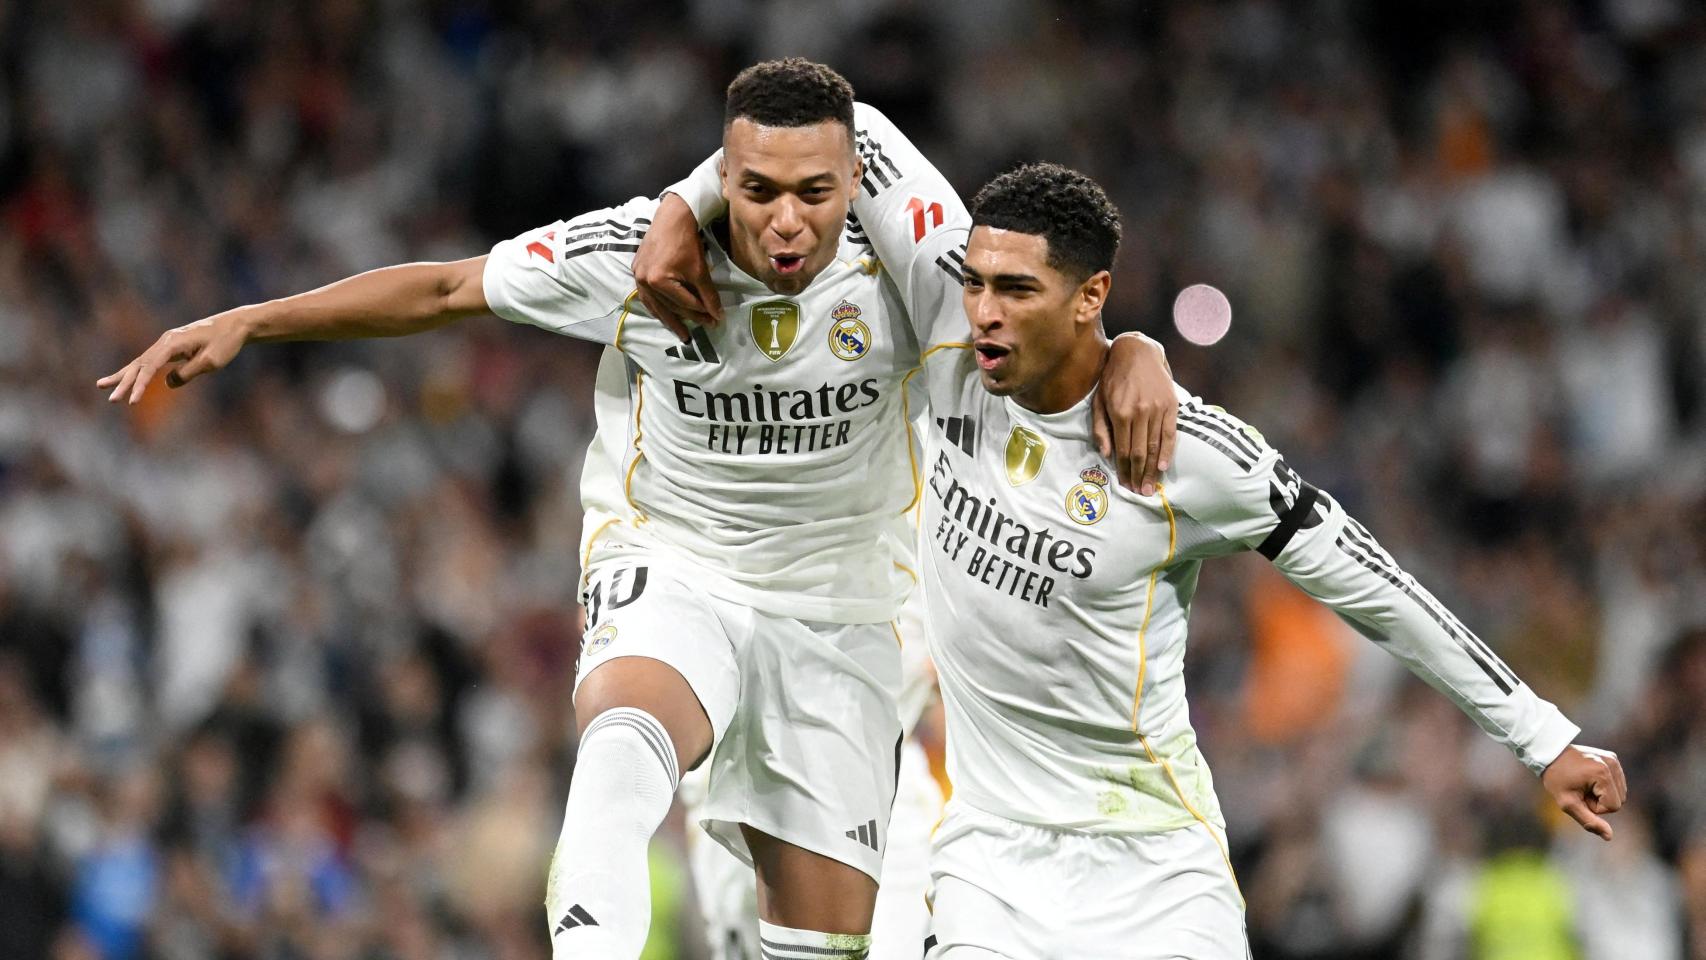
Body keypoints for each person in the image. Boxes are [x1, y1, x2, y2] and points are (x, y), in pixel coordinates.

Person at [96, 60, 1178, 959]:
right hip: (677, 562)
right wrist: (254, 318)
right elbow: (443, 290)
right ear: (723, 180)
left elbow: (1045, 330)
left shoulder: (912, 274)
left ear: (854, 183)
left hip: (842, 616)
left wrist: (1136, 349)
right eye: (754, 191)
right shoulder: (633, 258)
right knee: (623, 745)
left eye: (814, 193)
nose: (786, 221)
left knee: (820, 944)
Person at [649, 122, 1627, 958]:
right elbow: (834, 118)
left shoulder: (1191, 458)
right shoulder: (946, 326)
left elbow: (1376, 589)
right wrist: (682, 208)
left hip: (1156, 875)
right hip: (990, 870)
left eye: (1016, 291)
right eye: (976, 283)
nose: (982, 311)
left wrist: (1539, 737)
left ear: (1090, 295)